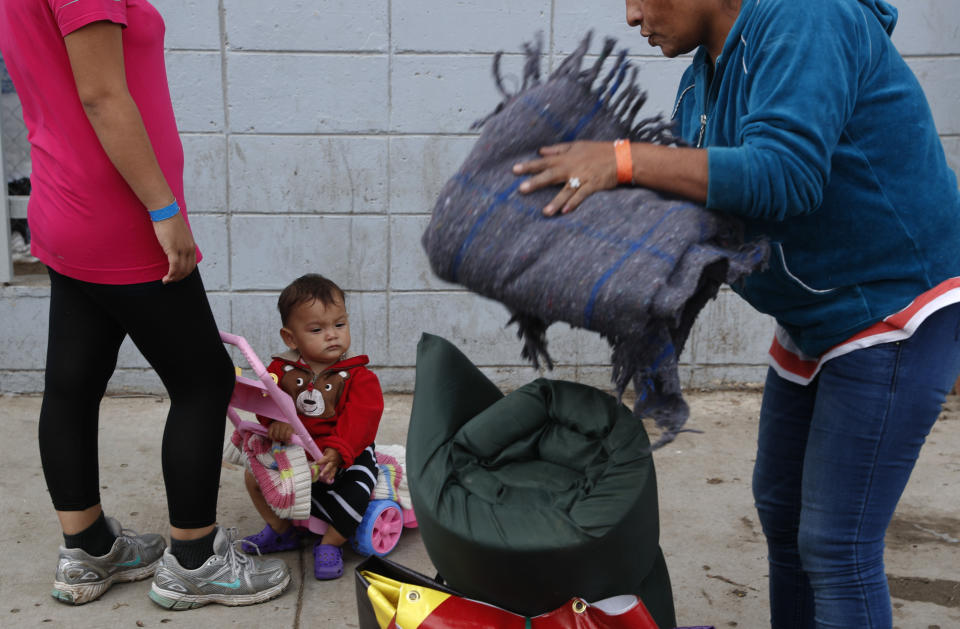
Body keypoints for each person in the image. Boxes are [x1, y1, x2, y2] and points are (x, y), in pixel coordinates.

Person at [512, 0, 960, 627]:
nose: (632, 14)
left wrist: (621, 159)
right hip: (817, 316)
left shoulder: (810, 16)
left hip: (891, 308)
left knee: (837, 544)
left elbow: (787, 176)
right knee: (781, 511)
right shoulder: (705, 77)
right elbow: (705, 218)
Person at [0, 0, 290, 609]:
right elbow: (102, 95)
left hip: (65, 203)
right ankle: (194, 560)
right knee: (204, 381)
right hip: (121, 215)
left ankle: (87, 551)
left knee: (73, 381)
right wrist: (164, 210)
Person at [241, 273, 384, 580]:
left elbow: (363, 418)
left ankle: (331, 543)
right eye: (317, 329)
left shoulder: (357, 376)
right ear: (291, 338)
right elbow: (266, 399)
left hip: (345, 452)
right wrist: (275, 420)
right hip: (298, 449)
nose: (332, 335)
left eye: (339, 325)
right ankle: (282, 531)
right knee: (254, 475)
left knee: (358, 490)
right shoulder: (280, 370)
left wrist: (339, 450)